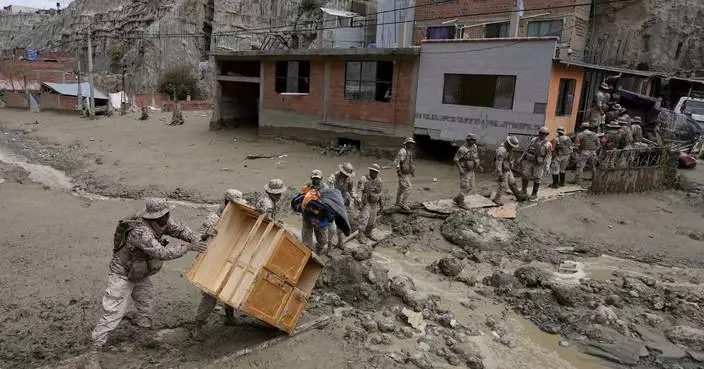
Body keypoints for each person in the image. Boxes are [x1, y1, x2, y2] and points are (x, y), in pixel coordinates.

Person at [86, 198, 205, 369]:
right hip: (122, 274)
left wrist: (195, 238)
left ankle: (145, 337)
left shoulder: (162, 221)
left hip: (139, 273)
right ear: (156, 217)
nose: (169, 216)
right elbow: (161, 252)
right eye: (166, 214)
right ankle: (95, 351)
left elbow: (179, 229)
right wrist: (187, 248)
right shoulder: (140, 232)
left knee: (146, 304)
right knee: (113, 312)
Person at [191, 190, 246, 342]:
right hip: (211, 260)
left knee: (230, 288)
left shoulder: (236, 214)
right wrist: (206, 234)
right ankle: (197, 327)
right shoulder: (213, 218)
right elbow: (197, 237)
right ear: (226, 202)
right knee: (210, 295)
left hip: (228, 257)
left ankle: (229, 316)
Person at [327, 163, 356, 248]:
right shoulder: (333, 178)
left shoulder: (349, 179)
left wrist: (354, 197)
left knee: (342, 222)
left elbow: (351, 190)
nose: (347, 176)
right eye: (345, 174)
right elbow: (329, 192)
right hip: (333, 202)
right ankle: (329, 245)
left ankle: (340, 242)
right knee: (331, 226)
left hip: (343, 202)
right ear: (341, 172)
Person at [301, 170, 329, 253]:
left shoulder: (325, 189)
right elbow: (301, 200)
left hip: (319, 217)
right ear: (311, 178)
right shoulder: (306, 187)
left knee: (322, 239)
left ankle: (319, 250)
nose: (316, 180)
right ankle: (308, 253)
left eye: (317, 178)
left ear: (321, 178)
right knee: (306, 238)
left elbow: (328, 203)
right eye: (314, 178)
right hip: (308, 216)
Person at [520, 127, 551, 200]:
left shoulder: (548, 144)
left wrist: (547, 166)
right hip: (530, 161)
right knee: (525, 175)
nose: (541, 134)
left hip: (539, 163)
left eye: (543, 134)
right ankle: (523, 190)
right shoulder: (534, 140)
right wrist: (522, 157)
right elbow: (527, 149)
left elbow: (548, 156)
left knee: (537, 178)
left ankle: (534, 194)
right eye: (540, 133)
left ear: (546, 135)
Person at [356, 164, 384, 243]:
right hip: (366, 202)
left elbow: (381, 193)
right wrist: (359, 202)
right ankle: (360, 235)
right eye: (372, 171)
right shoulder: (363, 179)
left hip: (374, 203)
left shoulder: (379, 181)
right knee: (364, 219)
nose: (374, 173)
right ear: (370, 171)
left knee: (372, 219)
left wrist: (381, 204)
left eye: (375, 172)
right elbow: (359, 191)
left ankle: (368, 233)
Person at [493, 136, 523, 205]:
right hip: (502, 169)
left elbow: (510, 158)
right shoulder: (502, 150)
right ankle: (497, 199)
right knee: (502, 184)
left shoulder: (509, 149)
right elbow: (498, 162)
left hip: (507, 167)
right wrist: (499, 173)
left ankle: (518, 196)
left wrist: (511, 164)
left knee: (512, 182)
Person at [453, 133, 480, 208]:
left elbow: (475, 155)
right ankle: (461, 202)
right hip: (464, 169)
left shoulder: (474, 146)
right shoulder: (462, 149)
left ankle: (457, 198)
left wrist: (477, 163)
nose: (473, 142)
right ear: (467, 140)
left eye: (474, 140)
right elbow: (456, 159)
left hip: (471, 169)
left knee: (471, 186)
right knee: (465, 186)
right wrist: (460, 168)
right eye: (471, 140)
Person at [394, 137, 415, 211]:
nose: (412, 145)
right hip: (402, 173)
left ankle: (397, 202)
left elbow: (410, 162)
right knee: (409, 187)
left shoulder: (410, 152)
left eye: (412, 143)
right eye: (410, 143)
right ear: (407, 144)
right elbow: (397, 162)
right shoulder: (403, 151)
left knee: (401, 188)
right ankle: (403, 203)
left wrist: (412, 171)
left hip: (407, 173)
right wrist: (398, 171)